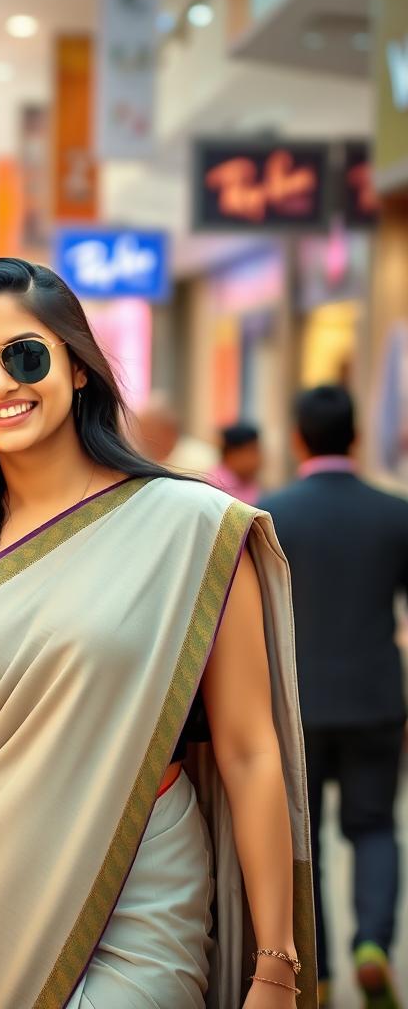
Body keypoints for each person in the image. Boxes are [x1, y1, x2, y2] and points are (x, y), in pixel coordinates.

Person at [0, 259, 316, 1009]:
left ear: (79, 367)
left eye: (25, 357)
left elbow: (251, 751)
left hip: (135, 881)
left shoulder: (189, 529)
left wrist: (275, 964)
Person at [260, 386, 407, 1009]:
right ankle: (372, 945)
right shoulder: (395, 513)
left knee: (304, 840)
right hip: (376, 698)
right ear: (355, 437)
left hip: (296, 705)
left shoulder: (272, 514)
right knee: (374, 826)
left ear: (297, 437)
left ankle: (312, 974)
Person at [132, 390, 218, 477]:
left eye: (150, 429)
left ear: (168, 429)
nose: (143, 436)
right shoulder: (137, 460)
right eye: (140, 429)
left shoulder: (205, 458)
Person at [212, 421, 263, 505]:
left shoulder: (251, 482)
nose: (259, 458)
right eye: (252, 451)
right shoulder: (215, 486)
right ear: (231, 454)